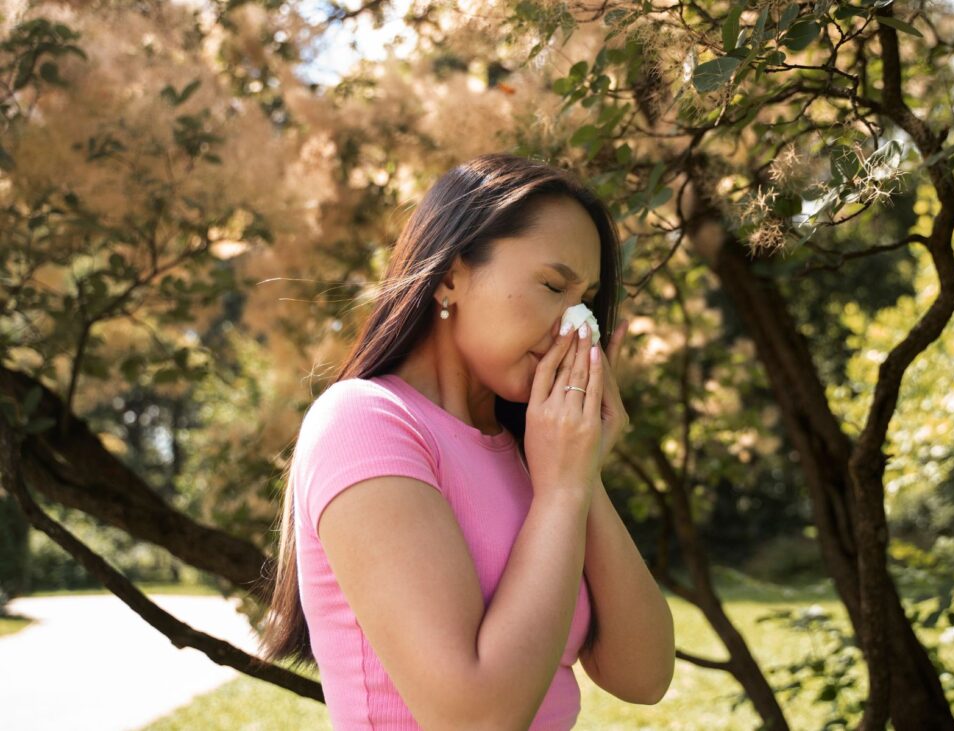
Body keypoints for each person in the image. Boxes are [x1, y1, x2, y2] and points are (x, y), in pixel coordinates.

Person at [257, 152, 675, 729]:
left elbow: (644, 675)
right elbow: (474, 718)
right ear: (451, 275)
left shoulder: (535, 455)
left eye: (586, 300)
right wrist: (558, 493)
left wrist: (580, 476)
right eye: (554, 285)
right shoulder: (366, 422)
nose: (576, 325)